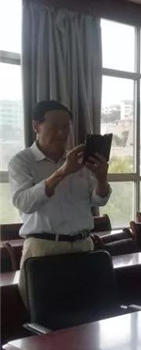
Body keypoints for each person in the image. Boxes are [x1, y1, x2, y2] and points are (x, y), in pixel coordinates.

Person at [9, 101, 110, 301]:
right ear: (36, 126)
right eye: (55, 126)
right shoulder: (22, 161)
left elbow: (99, 201)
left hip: (83, 247)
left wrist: (101, 179)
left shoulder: (80, 160)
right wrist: (62, 172)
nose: (62, 133)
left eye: (66, 127)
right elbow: (24, 203)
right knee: (46, 313)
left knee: (89, 310)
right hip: (44, 249)